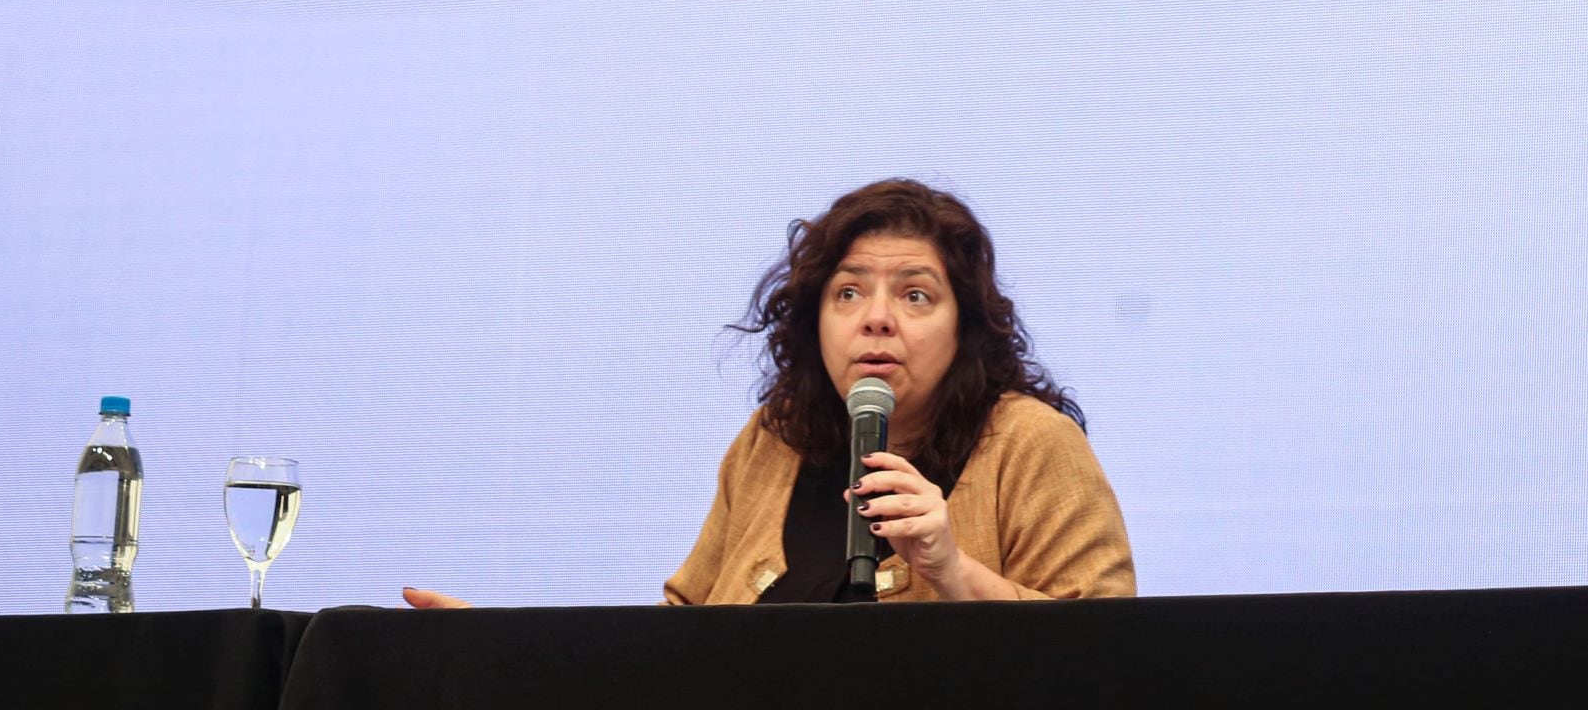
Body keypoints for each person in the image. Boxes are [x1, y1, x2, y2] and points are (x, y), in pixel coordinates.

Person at [404, 177, 1131, 607]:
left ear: (963, 327)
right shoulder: (775, 442)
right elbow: (673, 650)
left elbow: (1115, 664)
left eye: (915, 295)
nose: (876, 316)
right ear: (814, 320)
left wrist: (950, 568)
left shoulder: (1031, 444)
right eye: (848, 292)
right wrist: (500, 654)